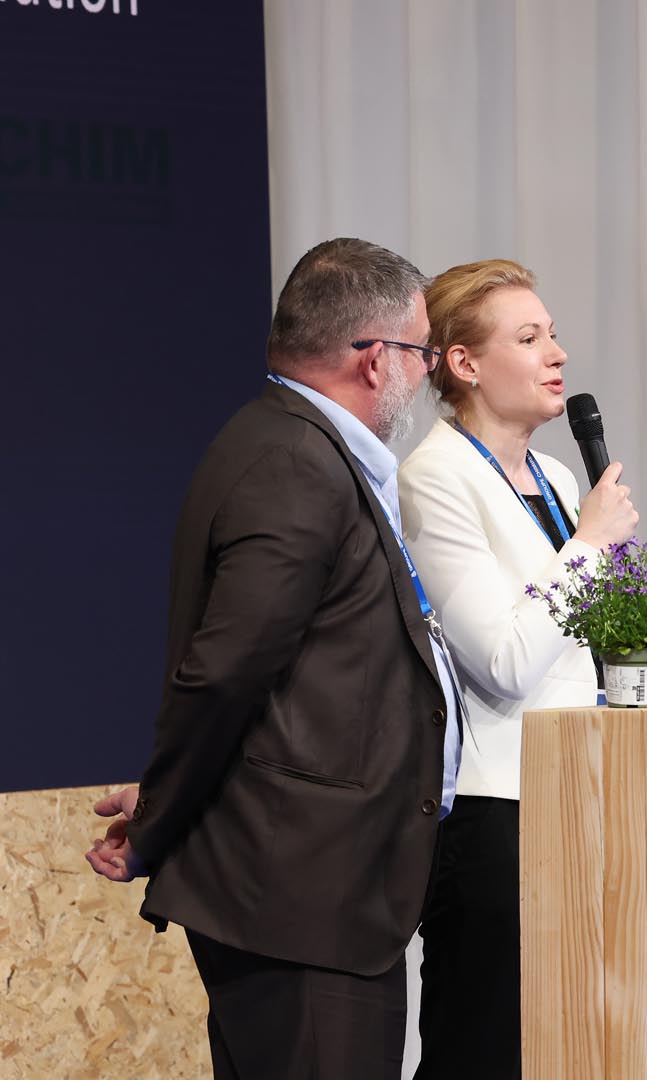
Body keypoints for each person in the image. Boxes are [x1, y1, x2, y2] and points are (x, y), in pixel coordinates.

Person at [84, 238, 463, 1079]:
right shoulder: (296, 462)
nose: (425, 373)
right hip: (303, 905)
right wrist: (161, 819)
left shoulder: (293, 445)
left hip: (315, 894)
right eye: (422, 352)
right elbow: (225, 673)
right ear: (374, 359)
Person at [396, 258, 638, 1079]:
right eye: (529, 338)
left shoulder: (559, 478)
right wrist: (591, 545)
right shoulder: (434, 479)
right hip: (493, 812)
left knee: (564, 1049)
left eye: (553, 334)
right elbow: (502, 662)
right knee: (484, 1050)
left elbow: (569, 643)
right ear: (464, 363)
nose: (556, 354)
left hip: (576, 791)